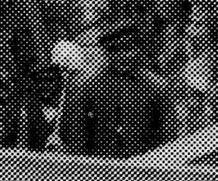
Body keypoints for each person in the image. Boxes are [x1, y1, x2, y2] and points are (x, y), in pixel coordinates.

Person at [58, 15, 177, 159]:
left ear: (138, 50)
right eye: (116, 50)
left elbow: (170, 140)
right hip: (97, 170)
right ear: (107, 53)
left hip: (144, 171)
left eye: (130, 49)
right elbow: (72, 136)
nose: (125, 55)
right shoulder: (86, 86)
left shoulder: (157, 87)